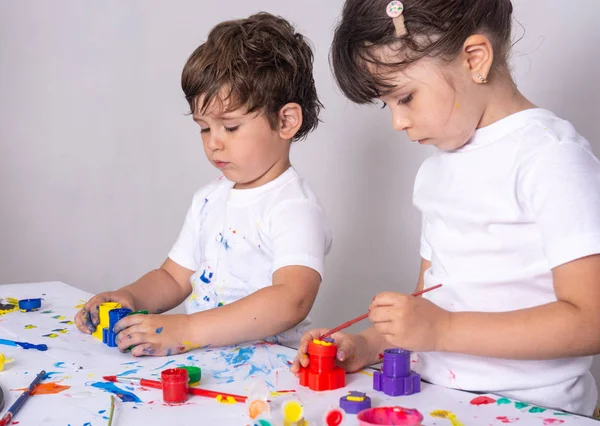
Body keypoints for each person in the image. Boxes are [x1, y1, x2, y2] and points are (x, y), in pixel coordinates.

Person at [293, 0, 600, 415]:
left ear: (475, 58)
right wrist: (368, 344)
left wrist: (443, 330)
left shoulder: (550, 158)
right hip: (439, 400)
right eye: (388, 105)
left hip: (533, 409)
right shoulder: (436, 172)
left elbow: (590, 320)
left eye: (405, 97)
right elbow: (430, 306)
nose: (397, 122)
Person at [75, 12, 332, 356]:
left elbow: (292, 299)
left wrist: (188, 328)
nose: (214, 142)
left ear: (285, 121)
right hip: (208, 365)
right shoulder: (209, 198)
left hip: (269, 373)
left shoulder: (292, 206)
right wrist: (131, 297)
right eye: (204, 127)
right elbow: (173, 278)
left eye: (230, 127)